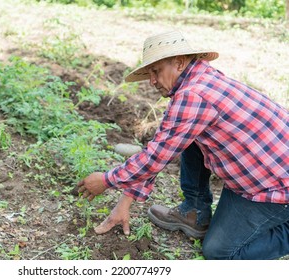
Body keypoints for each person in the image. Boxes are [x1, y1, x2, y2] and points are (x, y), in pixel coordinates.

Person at [77, 30, 289, 260]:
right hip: (260, 173)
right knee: (190, 140)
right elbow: (164, 145)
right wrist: (124, 202)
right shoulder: (199, 80)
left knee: (220, 253)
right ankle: (195, 211)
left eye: (156, 71)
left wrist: (107, 180)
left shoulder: (194, 95)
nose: (152, 81)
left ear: (179, 63)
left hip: (275, 186)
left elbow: (155, 157)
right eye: (149, 73)